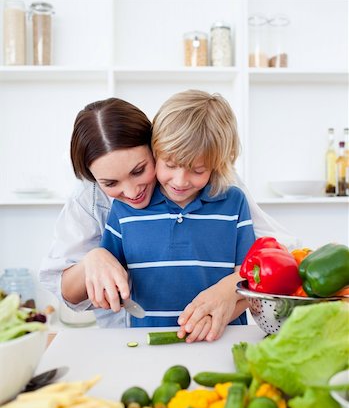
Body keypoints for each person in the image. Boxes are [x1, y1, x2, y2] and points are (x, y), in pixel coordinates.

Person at [39, 95, 299, 338]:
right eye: (110, 183)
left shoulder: (222, 187)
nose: (131, 192)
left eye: (139, 170)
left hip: (216, 336)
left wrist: (231, 289)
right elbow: (66, 291)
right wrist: (93, 260)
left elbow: (278, 256)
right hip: (129, 338)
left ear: (155, 147)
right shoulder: (90, 198)